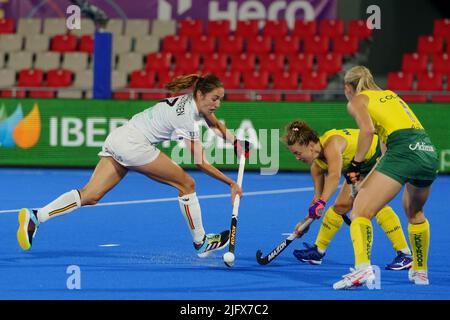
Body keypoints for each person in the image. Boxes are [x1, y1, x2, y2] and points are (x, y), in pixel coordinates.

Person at [17, 74, 251, 258]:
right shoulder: (185, 116)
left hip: (119, 137)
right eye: (215, 99)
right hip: (135, 145)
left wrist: (235, 141)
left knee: (91, 195)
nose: (218, 104)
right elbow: (200, 162)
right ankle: (201, 241)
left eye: (221, 98)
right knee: (187, 184)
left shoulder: (191, 102)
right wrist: (230, 182)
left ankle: (37, 216)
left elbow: (213, 123)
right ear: (200, 94)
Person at [333, 66, 439, 289]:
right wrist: (365, 180)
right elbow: (385, 155)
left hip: (403, 150)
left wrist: (355, 165)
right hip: (427, 151)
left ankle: (362, 269)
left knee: (360, 211)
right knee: (414, 211)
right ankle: (420, 272)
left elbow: (367, 131)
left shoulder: (357, 100)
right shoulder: (390, 95)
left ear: (348, 88)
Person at [282, 120, 412, 271]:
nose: (297, 158)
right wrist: (305, 222)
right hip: (359, 166)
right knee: (340, 207)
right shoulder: (316, 168)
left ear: (311, 146)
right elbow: (317, 200)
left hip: (378, 155)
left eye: (297, 153)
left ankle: (405, 254)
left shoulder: (332, 144)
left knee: (373, 204)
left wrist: (322, 202)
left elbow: (334, 176)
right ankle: (317, 252)